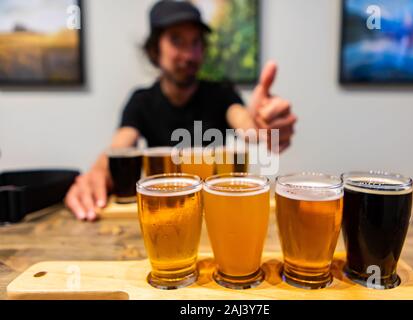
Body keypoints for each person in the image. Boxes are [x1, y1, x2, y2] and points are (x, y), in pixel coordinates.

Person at [65, 0, 297, 221]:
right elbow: (120, 147)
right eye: (177, 41)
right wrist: (96, 173)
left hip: (216, 216)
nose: (189, 55)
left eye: (196, 42)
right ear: (155, 49)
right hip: (164, 217)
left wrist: (262, 124)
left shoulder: (221, 93)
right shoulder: (141, 101)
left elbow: (245, 124)